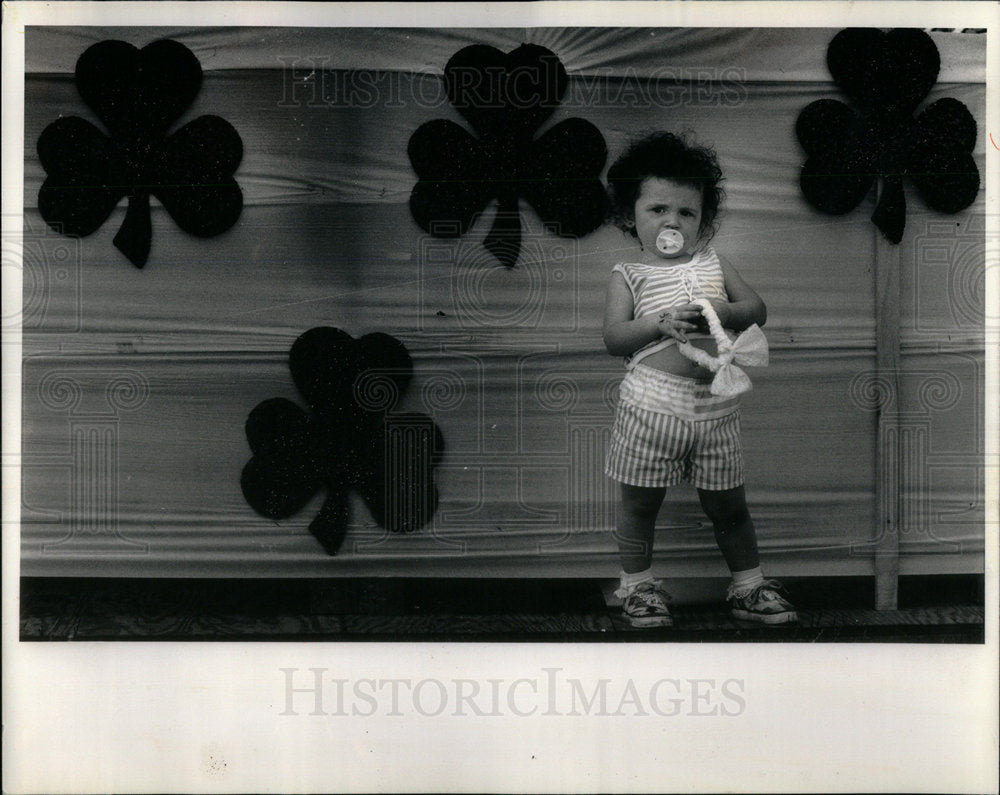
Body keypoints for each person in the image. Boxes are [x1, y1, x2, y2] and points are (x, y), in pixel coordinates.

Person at [602, 132, 796, 627]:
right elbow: (614, 338)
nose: (672, 222)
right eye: (658, 210)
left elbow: (758, 310)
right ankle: (638, 586)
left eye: (686, 214)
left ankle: (748, 587)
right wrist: (656, 323)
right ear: (630, 216)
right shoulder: (629, 273)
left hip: (715, 404)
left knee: (729, 504)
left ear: (703, 222)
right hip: (651, 404)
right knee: (639, 502)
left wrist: (725, 309)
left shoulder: (714, 263)